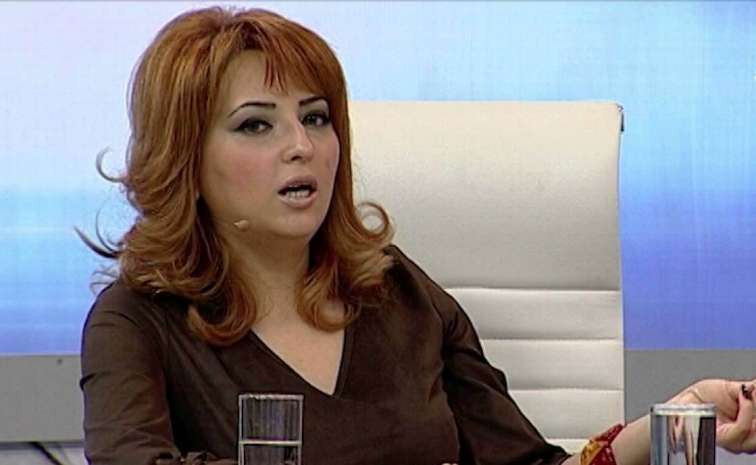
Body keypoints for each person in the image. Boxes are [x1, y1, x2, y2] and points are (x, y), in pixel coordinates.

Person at [79, 6, 756, 465]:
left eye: (315, 118)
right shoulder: (136, 321)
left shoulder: (393, 288)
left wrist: (685, 411)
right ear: (186, 160)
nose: (301, 147)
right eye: (256, 125)